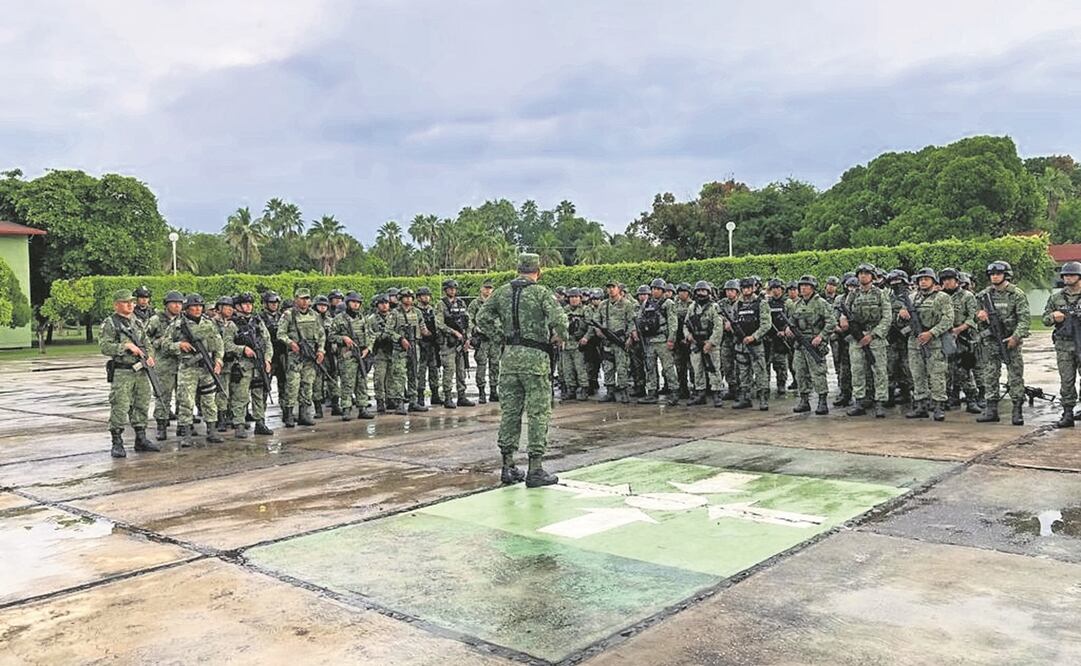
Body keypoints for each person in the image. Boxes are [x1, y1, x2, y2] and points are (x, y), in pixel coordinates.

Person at [476, 253, 568, 487]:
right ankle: (535, 469)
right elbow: (560, 320)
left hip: (509, 360)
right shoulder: (540, 292)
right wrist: (559, 337)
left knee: (510, 413)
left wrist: (500, 337)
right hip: (535, 361)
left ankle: (508, 466)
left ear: (518, 269)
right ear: (539, 270)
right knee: (538, 413)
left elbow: (482, 317)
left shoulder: (502, 292)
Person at [100, 289, 161, 458]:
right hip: (123, 371)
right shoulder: (111, 323)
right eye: (126, 302)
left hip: (141, 370)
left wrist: (149, 357)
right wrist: (125, 347)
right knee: (120, 405)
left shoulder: (137, 322)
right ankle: (117, 441)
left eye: (132, 302)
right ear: (116, 304)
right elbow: (105, 347)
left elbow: (147, 343)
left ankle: (141, 438)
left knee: (141, 403)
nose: (130, 305)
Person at [975, 261, 1029, 425]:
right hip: (991, 342)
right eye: (992, 274)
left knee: (1015, 376)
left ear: (1006, 275)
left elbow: (1024, 320)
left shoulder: (1016, 294)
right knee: (990, 375)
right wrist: (980, 315)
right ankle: (991, 410)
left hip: (1010, 341)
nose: (995, 276)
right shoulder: (983, 295)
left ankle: (1017, 409)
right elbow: (972, 316)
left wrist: (1016, 337)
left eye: (998, 273)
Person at [167, 293, 225, 447]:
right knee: (186, 401)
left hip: (207, 367)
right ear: (187, 308)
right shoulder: (177, 324)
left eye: (200, 306)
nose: (198, 309)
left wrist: (218, 360)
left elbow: (219, 343)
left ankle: (212, 431)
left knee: (209, 400)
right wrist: (179, 345)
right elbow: (163, 344)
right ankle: (186, 434)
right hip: (188, 368)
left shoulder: (209, 323)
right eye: (194, 306)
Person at [899, 268, 954, 421]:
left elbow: (948, 319)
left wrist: (931, 333)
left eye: (926, 279)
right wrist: (902, 315)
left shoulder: (942, 297)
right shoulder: (911, 297)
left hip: (934, 342)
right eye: (920, 279)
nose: (923, 281)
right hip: (915, 342)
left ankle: (938, 406)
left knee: (937, 375)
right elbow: (900, 322)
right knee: (917, 375)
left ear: (933, 281)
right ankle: (920, 405)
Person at [840, 264, 890, 418]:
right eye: (860, 273)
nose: (863, 276)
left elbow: (887, 318)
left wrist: (873, 335)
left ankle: (880, 402)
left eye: (866, 273)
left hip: (875, 336)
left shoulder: (880, 294)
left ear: (872, 276)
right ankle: (859, 401)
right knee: (857, 370)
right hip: (857, 337)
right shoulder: (853, 294)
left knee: (879, 370)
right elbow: (844, 311)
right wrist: (842, 319)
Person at [784, 275, 835, 415]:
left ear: (813, 288)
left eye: (806, 286)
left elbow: (831, 322)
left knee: (818, 373)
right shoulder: (797, 305)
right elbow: (791, 321)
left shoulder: (821, 303)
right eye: (801, 286)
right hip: (800, 344)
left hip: (814, 344)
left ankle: (822, 401)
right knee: (800, 371)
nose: (803, 288)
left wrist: (821, 336)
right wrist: (788, 329)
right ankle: (804, 400)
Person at [277, 288, 326, 427]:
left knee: (307, 384)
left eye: (307, 298)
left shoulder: (315, 315)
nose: (305, 301)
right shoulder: (288, 315)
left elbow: (322, 335)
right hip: (295, 355)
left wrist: (321, 351)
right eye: (302, 298)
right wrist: (290, 343)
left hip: (310, 355)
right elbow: (280, 334)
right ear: (296, 299)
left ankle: (304, 414)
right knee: (292, 385)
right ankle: (289, 415)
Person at [230, 292, 275, 437]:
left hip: (259, 363)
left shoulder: (257, 321)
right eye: (245, 304)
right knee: (241, 396)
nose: (248, 306)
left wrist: (268, 359)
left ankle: (260, 422)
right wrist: (242, 349)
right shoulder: (232, 323)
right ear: (237, 306)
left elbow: (267, 341)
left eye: (250, 304)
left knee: (259, 394)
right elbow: (225, 344)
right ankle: (239, 424)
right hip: (242, 365)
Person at [1044, 261, 1081, 428]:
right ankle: (1067, 412)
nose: (1068, 277)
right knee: (1066, 380)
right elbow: (1045, 319)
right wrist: (1053, 317)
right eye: (1065, 275)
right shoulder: (1056, 297)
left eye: (1072, 274)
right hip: (1064, 346)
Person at [940, 268, 983, 414]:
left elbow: (973, 318)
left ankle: (971, 399)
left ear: (957, 281)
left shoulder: (967, 296)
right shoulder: (939, 296)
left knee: (963, 370)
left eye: (949, 279)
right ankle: (947, 398)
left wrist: (959, 329)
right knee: (944, 370)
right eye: (944, 280)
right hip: (943, 337)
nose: (946, 282)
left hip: (963, 338)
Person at [144, 290, 184, 441]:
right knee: (163, 395)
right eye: (174, 303)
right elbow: (144, 338)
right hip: (164, 363)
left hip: (182, 362)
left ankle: (183, 425)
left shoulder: (183, 320)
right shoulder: (156, 320)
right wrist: (157, 343)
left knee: (183, 396)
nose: (177, 306)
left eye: (180, 303)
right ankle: (161, 425)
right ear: (166, 305)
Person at [633, 278, 680, 405]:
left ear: (663, 290)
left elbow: (673, 323)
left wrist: (671, 339)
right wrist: (637, 332)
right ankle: (652, 392)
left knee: (668, 367)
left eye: (658, 289)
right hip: (649, 341)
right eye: (653, 288)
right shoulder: (646, 303)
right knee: (650, 368)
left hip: (662, 341)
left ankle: (674, 392)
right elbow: (639, 319)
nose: (655, 291)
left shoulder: (668, 303)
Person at [332, 291, 376, 421]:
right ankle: (346, 408)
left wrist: (368, 348)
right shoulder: (339, 319)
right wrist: (343, 338)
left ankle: (362, 407)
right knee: (347, 383)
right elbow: (331, 336)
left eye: (358, 303)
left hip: (361, 353)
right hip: (347, 355)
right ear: (347, 303)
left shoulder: (363, 318)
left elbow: (370, 335)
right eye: (353, 302)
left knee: (362, 381)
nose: (356, 305)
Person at [591, 280, 636, 403]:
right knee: (608, 367)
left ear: (618, 289)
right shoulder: (603, 305)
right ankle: (610, 392)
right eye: (608, 287)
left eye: (613, 287)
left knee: (622, 367)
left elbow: (632, 322)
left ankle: (623, 391)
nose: (610, 290)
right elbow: (595, 320)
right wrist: (597, 330)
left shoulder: (627, 304)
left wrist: (630, 338)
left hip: (620, 340)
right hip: (607, 341)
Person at [732, 277, 772, 410]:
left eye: (749, 287)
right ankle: (745, 398)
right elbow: (734, 322)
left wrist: (753, 337)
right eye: (744, 288)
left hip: (756, 344)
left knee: (760, 371)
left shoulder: (761, 303)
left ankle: (763, 399)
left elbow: (766, 324)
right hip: (741, 344)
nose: (746, 290)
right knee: (743, 372)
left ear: (754, 288)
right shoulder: (737, 304)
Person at [435, 279, 475, 408]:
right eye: (450, 288)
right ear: (445, 290)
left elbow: (468, 321)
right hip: (448, 343)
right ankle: (447, 396)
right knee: (449, 370)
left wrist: (467, 337)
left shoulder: (461, 303)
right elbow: (439, 323)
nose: (453, 290)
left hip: (461, 342)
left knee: (461, 369)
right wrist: (453, 332)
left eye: (454, 288)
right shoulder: (441, 304)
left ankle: (461, 396)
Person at [684, 280, 724, 406]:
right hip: (696, 343)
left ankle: (716, 393)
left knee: (714, 368)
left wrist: (711, 343)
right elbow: (686, 325)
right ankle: (700, 393)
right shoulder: (692, 307)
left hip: (710, 343)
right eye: (699, 291)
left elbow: (718, 327)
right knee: (698, 369)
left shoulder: (714, 307)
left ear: (708, 292)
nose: (701, 293)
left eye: (704, 291)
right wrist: (688, 335)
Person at [391, 288, 429, 414]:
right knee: (400, 376)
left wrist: (427, 334)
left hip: (414, 345)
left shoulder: (417, 312)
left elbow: (422, 326)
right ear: (401, 299)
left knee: (414, 374)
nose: (409, 299)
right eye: (406, 297)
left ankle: (413, 401)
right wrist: (400, 338)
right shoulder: (395, 313)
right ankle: (399, 403)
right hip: (400, 349)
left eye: (410, 297)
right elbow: (388, 331)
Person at [469, 280, 501, 404]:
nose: (488, 290)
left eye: (490, 288)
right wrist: (475, 329)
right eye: (486, 288)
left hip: (494, 339)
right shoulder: (475, 303)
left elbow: (501, 318)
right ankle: (481, 392)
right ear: (481, 289)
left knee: (495, 365)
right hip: (482, 340)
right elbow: (469, 318)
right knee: (481, 365)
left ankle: (494, 390)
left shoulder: (496, 303)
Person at [562, 287, 594, 401]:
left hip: (579, 343)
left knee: (580, 368)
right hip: (566, 343)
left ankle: (584, 388)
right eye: (571, 297)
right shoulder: (565, 310)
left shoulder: (586, 310)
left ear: (580, 298)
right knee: (567, 368)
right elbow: (559, 324)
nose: (574, 299)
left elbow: (592, 326)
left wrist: (586, 337)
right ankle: (571, 389)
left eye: (576, 297)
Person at [416, 286, 442, 406]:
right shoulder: (415, 311)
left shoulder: (432, 310)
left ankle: (435, 394)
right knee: (420, 371)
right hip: (421, 344)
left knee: (434, 369)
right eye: (424, 295)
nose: (427, 298)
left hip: (432, 344)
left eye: (428, 295)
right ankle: (420, 396)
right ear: (418, 298)